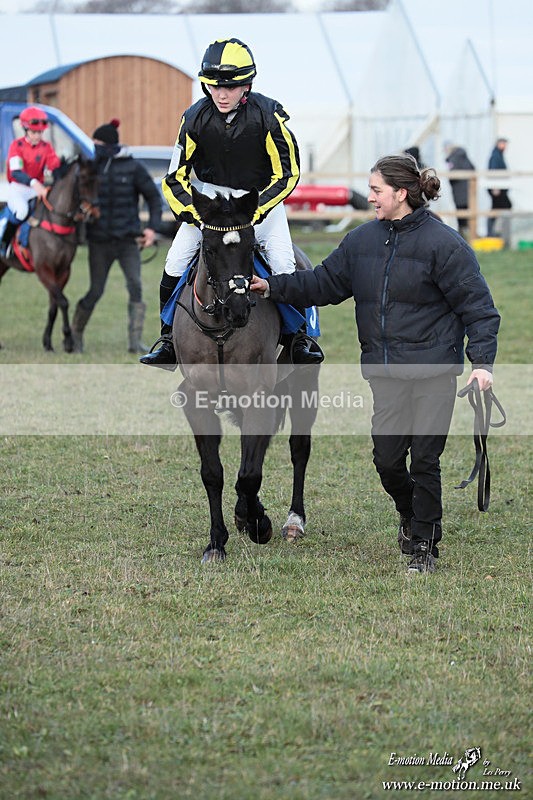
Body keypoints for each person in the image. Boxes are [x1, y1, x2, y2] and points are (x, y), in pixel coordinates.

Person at [250, 154, 500, 574]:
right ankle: (410, 513)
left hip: (434, 372)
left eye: (377, 190)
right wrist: (270, 286)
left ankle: (424, 545)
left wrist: (483, 363)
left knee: (424, 460)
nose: (370, 198)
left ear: (401, 194)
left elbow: (479, 308)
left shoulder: (445, 245)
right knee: (387, 461)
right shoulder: (361, 242)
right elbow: (321, 284)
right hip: (384, 373)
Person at [140, 37, 321, 368]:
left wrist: (256, 209)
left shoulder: (269, 116)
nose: (221, 95)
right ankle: (167, 338)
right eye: (214, 86)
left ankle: (299, 338)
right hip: (209, 206)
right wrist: (195, 214)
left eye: (231, 87)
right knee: (175, 261)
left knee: (284, 264)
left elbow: (288, 173)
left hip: (259, 203)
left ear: (247, 85)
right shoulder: (194, 118)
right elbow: (174, 177)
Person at [71, 118, 162, 354]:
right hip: (99, 241)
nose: (94, 147)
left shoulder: (133, 167)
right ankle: (76, 336)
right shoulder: (89, 167)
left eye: (98, 142)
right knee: (96, 291)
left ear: (108, 144)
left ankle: (135, 343)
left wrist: (151, 228)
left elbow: (154, 198)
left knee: (135, 286)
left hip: (127, 241)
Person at [0, 106, 61, 257]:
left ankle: (30, 244)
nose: (37, 136)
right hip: (18, 188)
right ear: (26, 130)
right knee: (21, 211)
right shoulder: (16, 146)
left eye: (40, 132)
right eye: (34, 132)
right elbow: (16, 172)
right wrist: (34, 183)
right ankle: (4, 242)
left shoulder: (46, 147)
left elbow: (55, 165)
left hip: (36, 189)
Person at [444, 142, 475, 238]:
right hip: (469, 191)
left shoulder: (454, 158)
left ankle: (463, 237)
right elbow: (473, 168)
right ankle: (469, 236)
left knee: (461, 216)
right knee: (469, 216)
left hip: (459, 192)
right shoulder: (464, 156)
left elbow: (452, 174)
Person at [487, 137, 511, 237]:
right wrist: (495, 187)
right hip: (497, 189)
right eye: (503, 144)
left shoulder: (498, 154)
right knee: (503, 207)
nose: (505, 146)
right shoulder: (495, 155)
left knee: (498, 209)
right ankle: (494, 234)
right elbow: (494, 171)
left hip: (500, 188)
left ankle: (494, 234)